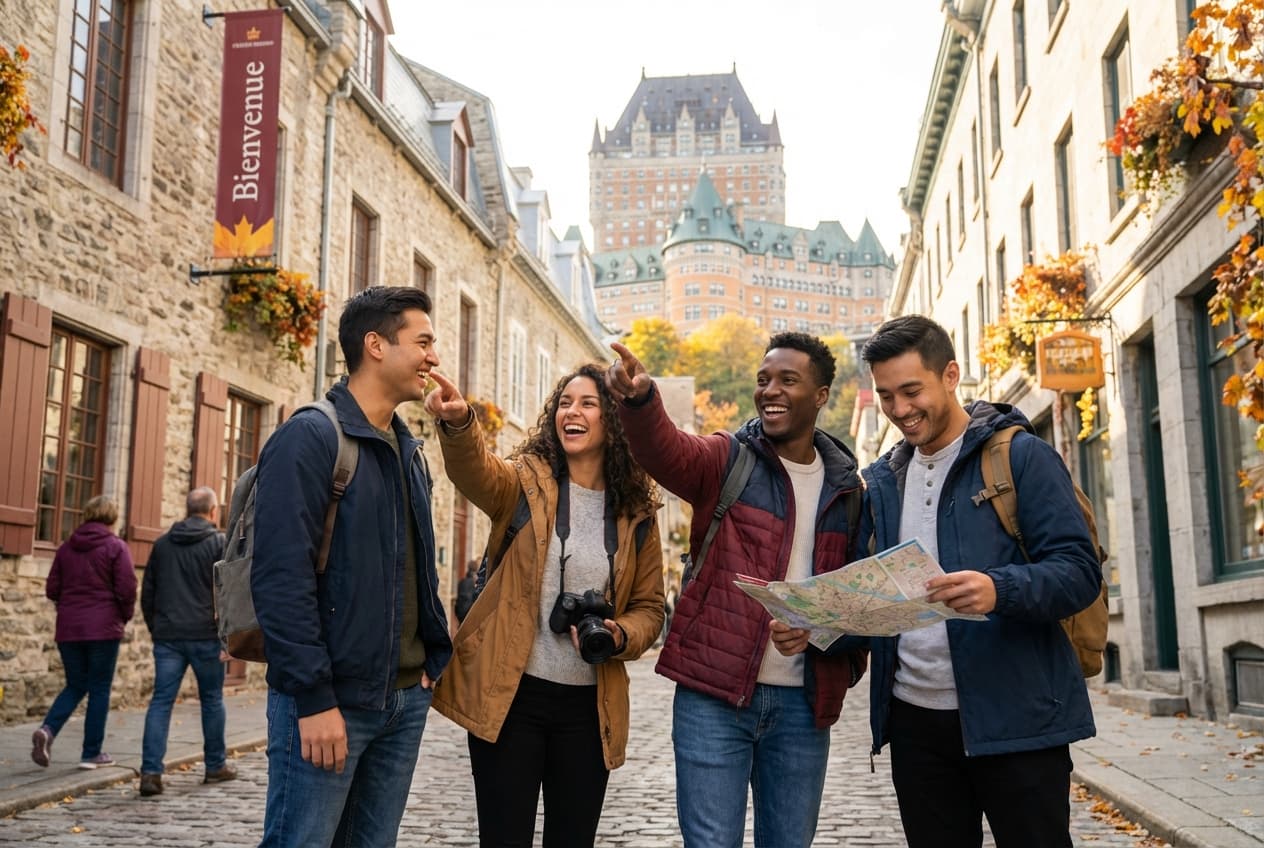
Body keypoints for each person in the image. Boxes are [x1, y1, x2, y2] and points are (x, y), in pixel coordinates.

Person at [772, 315, 1101, 848]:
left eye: (911, 391)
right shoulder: (882, 482)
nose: (900, 410)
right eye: (885, 396)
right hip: (916, 725)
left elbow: (1079, 572)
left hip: (1017, 720)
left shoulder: (1021, 457)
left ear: (950, 375)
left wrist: (1000, 590)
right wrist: (813, 626)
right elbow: (875, 605)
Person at [605, 333, 867, 848]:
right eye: (763, 379)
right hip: (713, 698)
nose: (770, 390)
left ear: (821, 395)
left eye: (788, 380)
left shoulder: (850, 492)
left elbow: (858, 603)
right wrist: (640, 401)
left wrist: (820, 631)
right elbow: (667, 451)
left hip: (803, 707)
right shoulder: (729, 459)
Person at [426, 363, 665, 848]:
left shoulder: (635, 513)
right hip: (512, 699)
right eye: (565, 402)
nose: (571, 412)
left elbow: (650, 608)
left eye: (588, 404)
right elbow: (476, 471)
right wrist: (458, 424)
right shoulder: (523, 483)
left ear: (612, 422)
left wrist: (620, 634)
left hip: (588, 707)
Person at [251, 286, 453, 847]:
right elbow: (280, 578)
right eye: (423, 341)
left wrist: (432, 655)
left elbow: (416, 569)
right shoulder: (311, 436)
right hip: (330, 703)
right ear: (376, 346)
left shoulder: (408, 449)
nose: (433, 357)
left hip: (404, 701)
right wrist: (313, 698)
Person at [138, 486, 237, 797]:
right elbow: (228, 593)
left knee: (160, 703)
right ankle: (215, 766)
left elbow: (148, 593)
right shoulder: (218, 543)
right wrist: (228, 638)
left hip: (168, 636)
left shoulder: (163, 544)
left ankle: (151, 773)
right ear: (212, 512)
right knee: (212, 700)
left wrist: (157, 629)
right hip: (206, 636)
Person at [31, 495, 137, 770]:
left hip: (69, 629)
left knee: (76, 684)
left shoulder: (66, 548)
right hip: (103, 629)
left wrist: (68, 609)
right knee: (99, 688)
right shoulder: (116, 547)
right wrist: (123, 617)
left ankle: (48, 730)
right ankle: (91, 753)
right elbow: (126, 589)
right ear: (112, 518)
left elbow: (52, 589)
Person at [454, 559, 478, 624]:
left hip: (460, 614)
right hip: (468, 615)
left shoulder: (461, 582)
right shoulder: (474, 583)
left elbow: (458, 600)